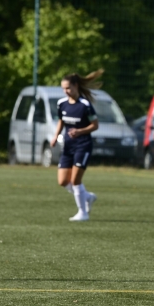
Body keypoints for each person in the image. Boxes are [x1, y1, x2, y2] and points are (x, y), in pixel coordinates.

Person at [50, 70, 102, 221]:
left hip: (83, 145)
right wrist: (55, 136)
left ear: (76, 86)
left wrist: (80, 131)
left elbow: (95, 125)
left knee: (75, 181)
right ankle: (88, 197)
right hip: (68, 146)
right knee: (62, 181)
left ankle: (83, 213)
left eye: (68, 88)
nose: (66, 91)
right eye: (63, 89)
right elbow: (61, 121)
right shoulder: (62, 104)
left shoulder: (85, 105)